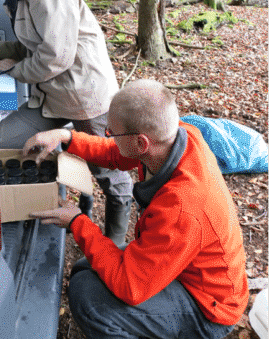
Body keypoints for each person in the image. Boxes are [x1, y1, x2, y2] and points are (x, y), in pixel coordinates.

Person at [26, 80, 248, 339]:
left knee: (87, 297)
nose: (107, 135)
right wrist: (67, 138)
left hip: (207, 306)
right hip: (183, 265)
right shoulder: (172, 139)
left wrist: (77, 222)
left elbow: (130, 287)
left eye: (112, 132)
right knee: (84, 269)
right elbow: (116, 153)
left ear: (141, 143)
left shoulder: (181, 208)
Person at [0, 0, 132, 246]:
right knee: (9, 138)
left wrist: (14, 70)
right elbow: (33, 43)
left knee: (108, 170)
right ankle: (58, 198)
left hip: (83, 95)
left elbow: (56, 56)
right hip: (52, 94)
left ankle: (116, 241)